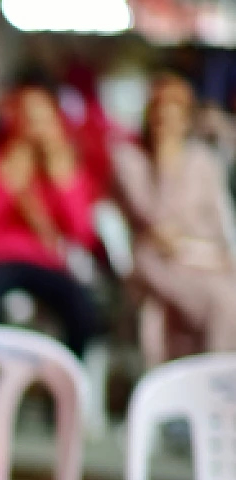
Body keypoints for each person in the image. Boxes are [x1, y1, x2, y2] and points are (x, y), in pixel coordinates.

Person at [0, 76, 104, 358]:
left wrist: (61, 178)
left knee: (84, 314)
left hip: (47, 261)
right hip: (0, 258)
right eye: (28, 117)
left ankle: (63, 387)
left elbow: (81, 233)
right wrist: (10, 174)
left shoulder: (65, 164)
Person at [111, 67, 236, 355]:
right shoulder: (130, 160)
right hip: (157, 260)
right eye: (160, 109)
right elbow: (154, 218)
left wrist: (217, 252)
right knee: (222, 305)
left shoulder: (204, 160)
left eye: (174, 110)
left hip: (205, 259)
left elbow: (220, 220)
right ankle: (205, 382)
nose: (166, 118)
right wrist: (164, 161)